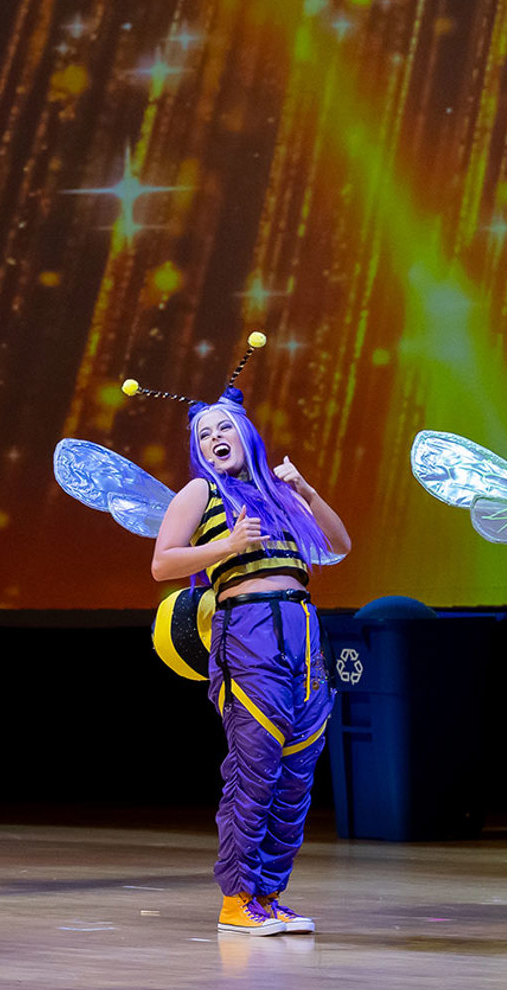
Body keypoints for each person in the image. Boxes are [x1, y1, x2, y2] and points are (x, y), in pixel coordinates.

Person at [127, 335, 352, 935]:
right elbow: (162, 563)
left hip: (302, 631)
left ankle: (270, 895)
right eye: (203, 436)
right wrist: (226, 545)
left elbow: (338, 545)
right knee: (256, 765)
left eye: (222, 428)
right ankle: (237, 900)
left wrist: (306, 492)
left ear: (247, 434)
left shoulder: (280, 494)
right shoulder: (199, 493)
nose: (214, 440)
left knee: (297, 772)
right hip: (247, 628)